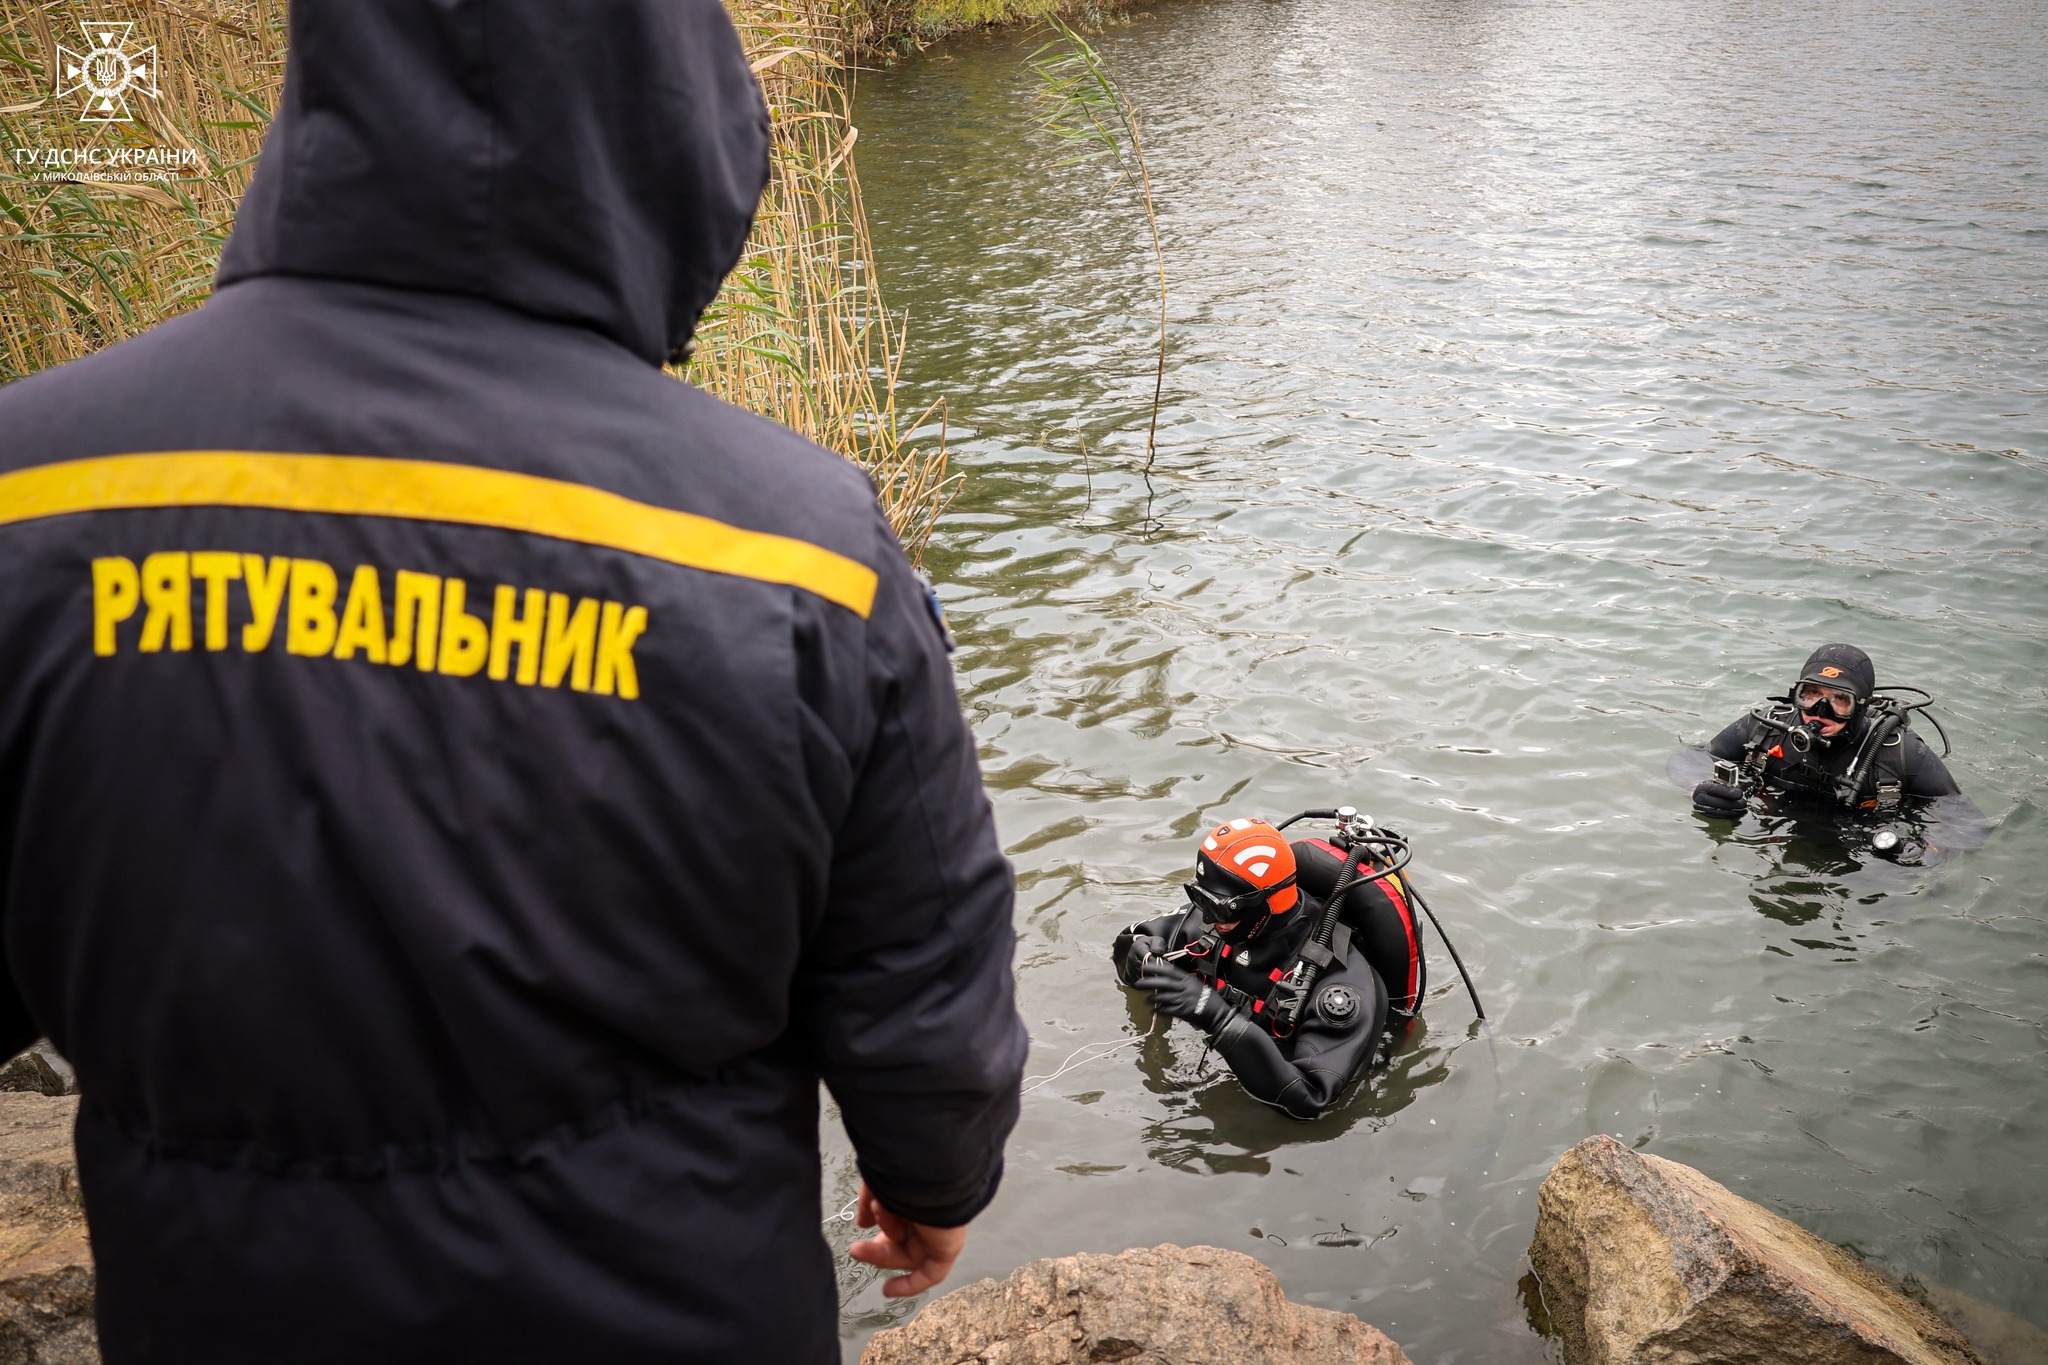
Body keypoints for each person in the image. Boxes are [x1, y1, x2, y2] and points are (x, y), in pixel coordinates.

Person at [0, 1, 1024, 1360]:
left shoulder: (37, 488)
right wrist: (936, 1174)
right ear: (676, 134)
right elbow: (918, 967)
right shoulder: (802, 550)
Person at [1110, 817, 1425, 1120]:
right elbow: (1133, 939)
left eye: (1218, 907)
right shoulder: (1216, 922)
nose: (1206, 918)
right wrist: (1136, 954)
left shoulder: (1342, 982)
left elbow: (1311, 1101)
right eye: (1199, 898)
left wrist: (1218, 1019)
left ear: (1266, 903)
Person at [1688, 643, 1985, 860]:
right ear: (1797, 695)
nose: (1820, 710)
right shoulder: (1765, 728)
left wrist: (1927, 851)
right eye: (1812, 694)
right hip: (1777, 832)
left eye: (1839, 699)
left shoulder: (1900, 753)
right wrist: (1702, 790)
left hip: (1862, 845)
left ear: (1861, 707)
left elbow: (1965, 821)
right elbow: (1692, 759)